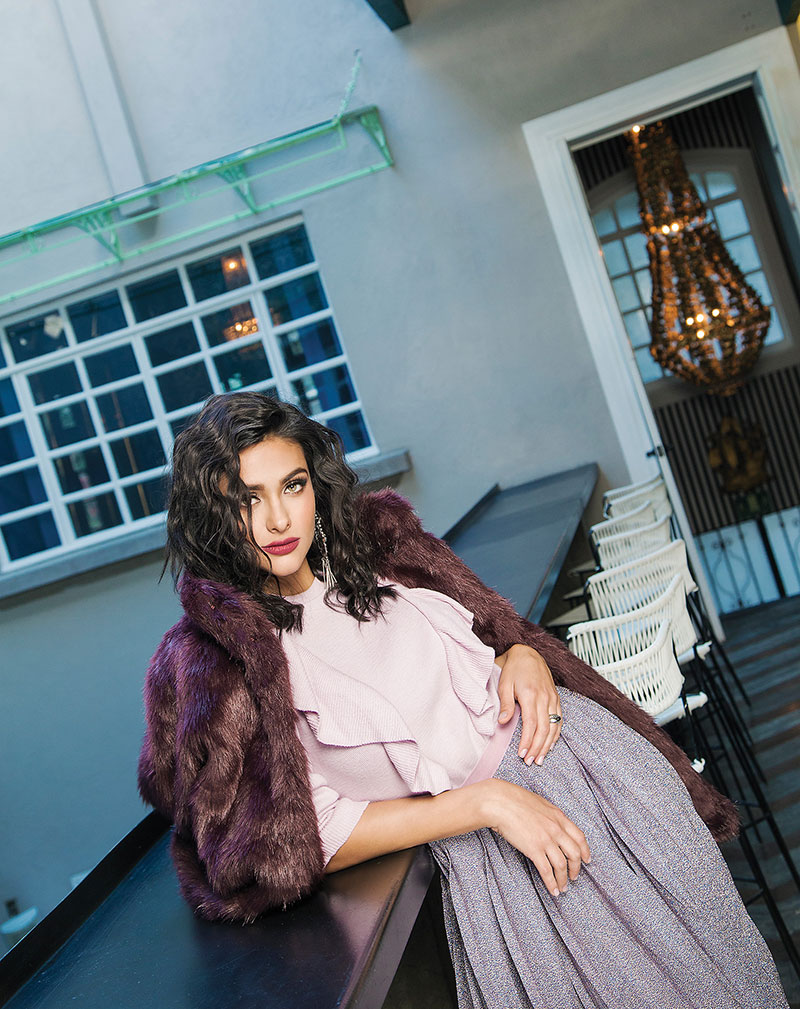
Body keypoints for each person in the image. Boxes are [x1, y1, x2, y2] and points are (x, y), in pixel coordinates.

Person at [138, 391, 789, 1009]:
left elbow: (472, 650)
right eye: (247, 499)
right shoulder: (227, 661)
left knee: (719, 980)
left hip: (599, 777)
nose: (279, 519)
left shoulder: (376, 552)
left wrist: (522, 654)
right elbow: (301, 837)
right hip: (508, 851)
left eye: (293, 485)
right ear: (213, 513)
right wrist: (485, 802)